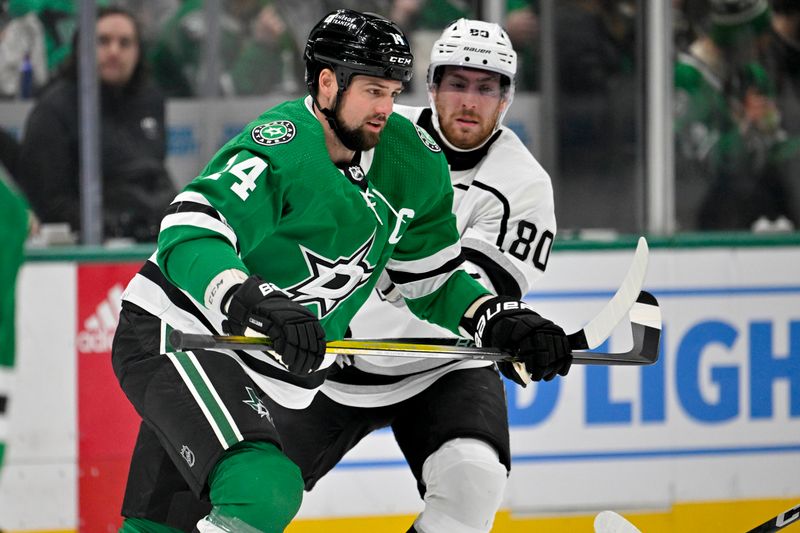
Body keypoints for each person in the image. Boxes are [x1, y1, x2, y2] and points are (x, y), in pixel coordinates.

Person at [111, 9, 572, 533]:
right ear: (328, 84)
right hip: (184, 335)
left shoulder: (413, 162)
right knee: (262, 490)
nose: (386, 109)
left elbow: (431, 280)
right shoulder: (282, 145)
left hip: (276, 370)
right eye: (372, 91)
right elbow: (189, 229)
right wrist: (254, 301)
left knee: (163, 523)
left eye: (393, 93)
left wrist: (495, 318)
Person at [266, 19, 557, 533]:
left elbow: (464, 297)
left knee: (473, 483)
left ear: (506, 98)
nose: (470, 101)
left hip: (443, 369)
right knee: (247, 487)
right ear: (430, 85)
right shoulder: (377, 130)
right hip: (331, 357)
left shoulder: (524, 185)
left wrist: (515, 329)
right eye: (456, 83)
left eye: (486, 88)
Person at [16, 6, 175, 243]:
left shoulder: (151, 99)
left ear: (138, 51)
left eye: (124, 43)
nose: (114, 51)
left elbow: (155, 173)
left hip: (153, 242)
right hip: (86, 247)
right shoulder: (53, 110)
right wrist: (111, 226)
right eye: (103, 41)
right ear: (81, 48)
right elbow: (49, 200)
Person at [674, 0, 798, 230]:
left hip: (759, 208)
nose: (763, 50)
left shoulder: (751, 74)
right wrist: (745, 127)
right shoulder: (687, 80)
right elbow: (704, 167)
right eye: (757, 43)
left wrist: (773, 133)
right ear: (739, 38)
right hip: (707, 216)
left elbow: (778, 150)